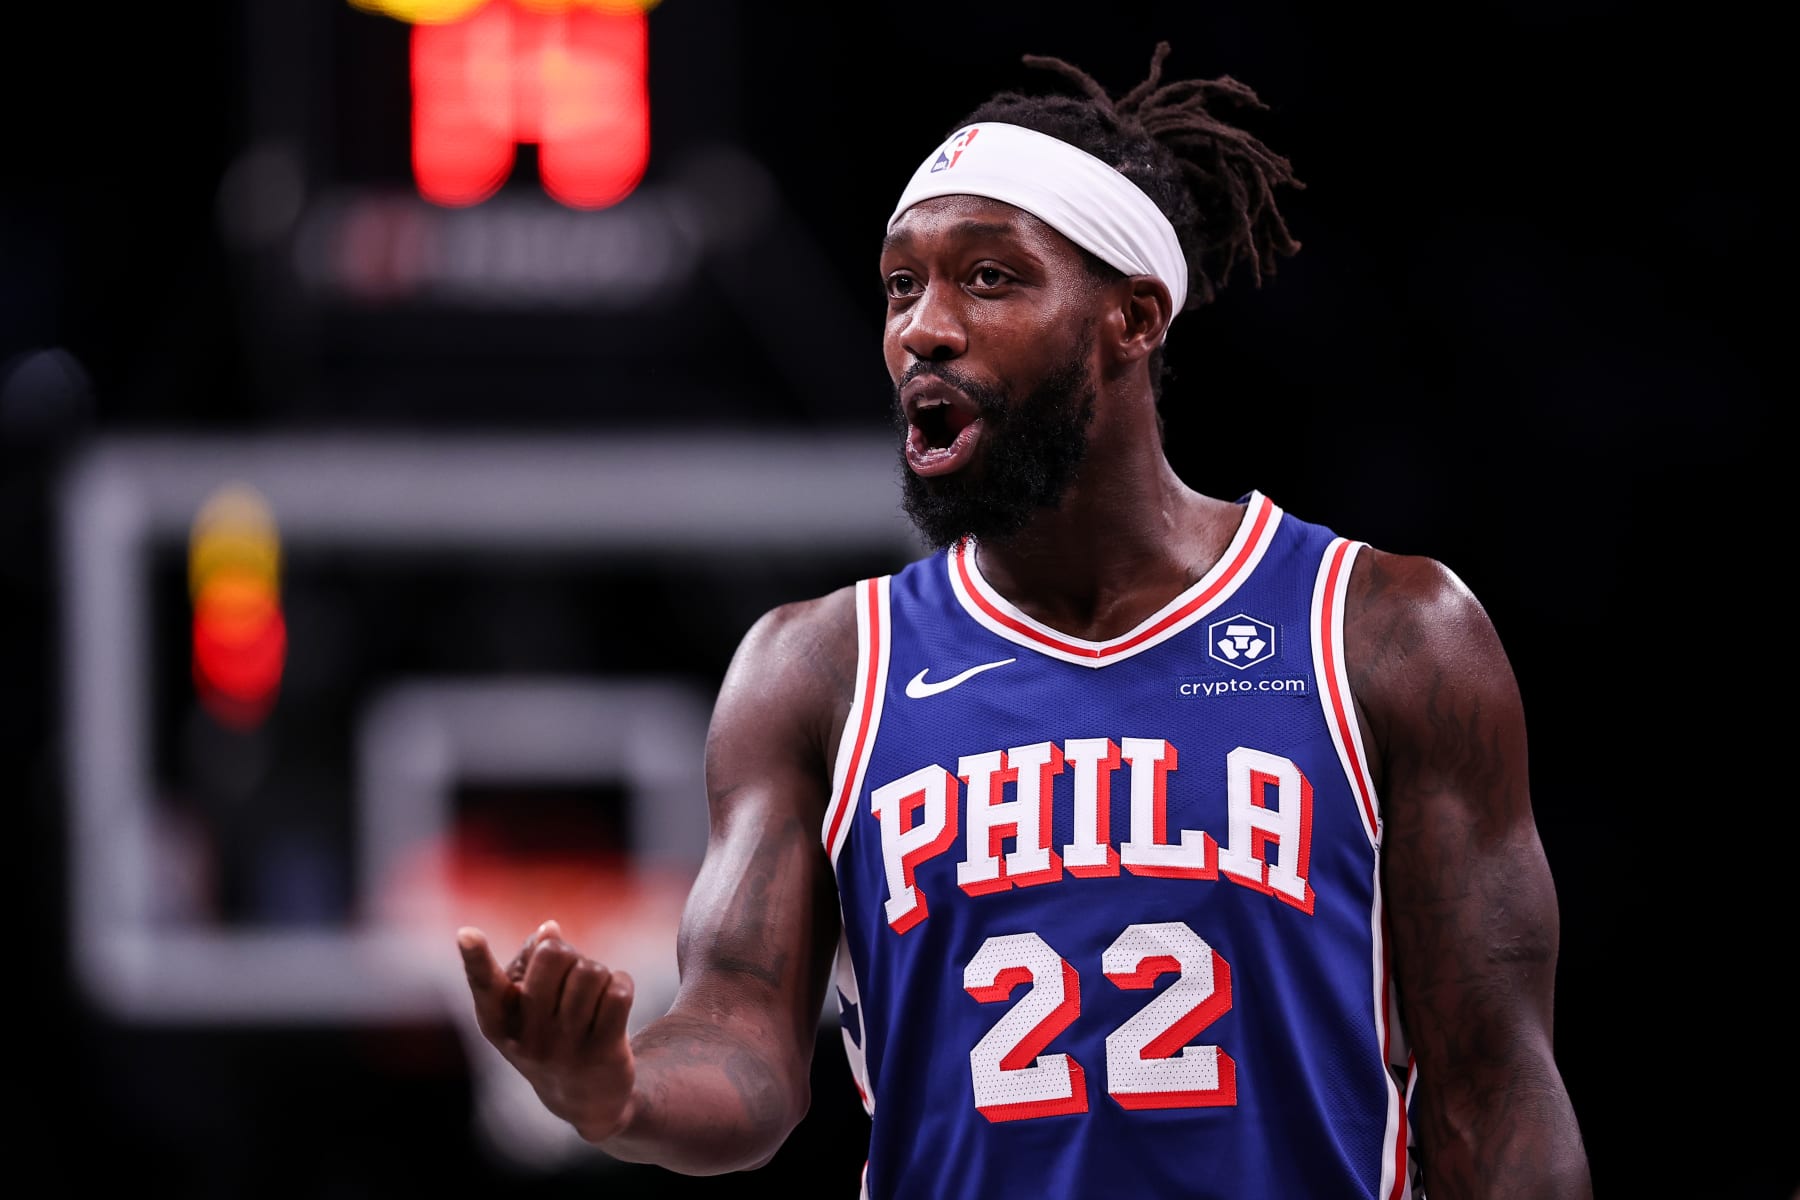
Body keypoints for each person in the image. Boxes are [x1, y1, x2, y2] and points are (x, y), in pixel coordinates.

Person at [455, 41, 1594, 1200]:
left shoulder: (1384, 632)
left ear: (1133, 319)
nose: (923, 331)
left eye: (988, 279)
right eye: (902, 287)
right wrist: (622, 1092)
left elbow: (1495, 1085)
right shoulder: (819, 671)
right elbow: (742, 1038)